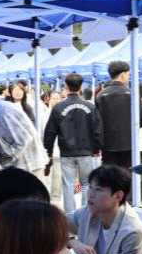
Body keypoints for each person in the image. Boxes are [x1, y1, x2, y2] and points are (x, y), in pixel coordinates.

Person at [66, 164, 142, 254]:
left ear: (118, 196)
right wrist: (71, 241)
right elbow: (54, 225)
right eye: (90, 187)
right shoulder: (87, 212)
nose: (90, 194)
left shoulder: (132, 232)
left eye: (98, 189)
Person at [43, 72, 103, 214]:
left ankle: (70, 217)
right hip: (86, 151)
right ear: (81, 87)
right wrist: (96, 148)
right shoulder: (90, 107)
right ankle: (86, 214)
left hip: (66, 151)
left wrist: (48, 151)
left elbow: (50, 131)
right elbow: (98, 130)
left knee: (68, 185)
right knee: (87, 184)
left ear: (66, 87)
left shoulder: (58, 107)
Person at [95, 60, 142, 168]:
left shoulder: (101, 95)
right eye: (128, 74)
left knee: (110, 175)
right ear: (123, 74)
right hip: (129, 144)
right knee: (127, 174)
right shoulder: (132, 94)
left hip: (107, 145)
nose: (128, 77)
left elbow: (96, 122)